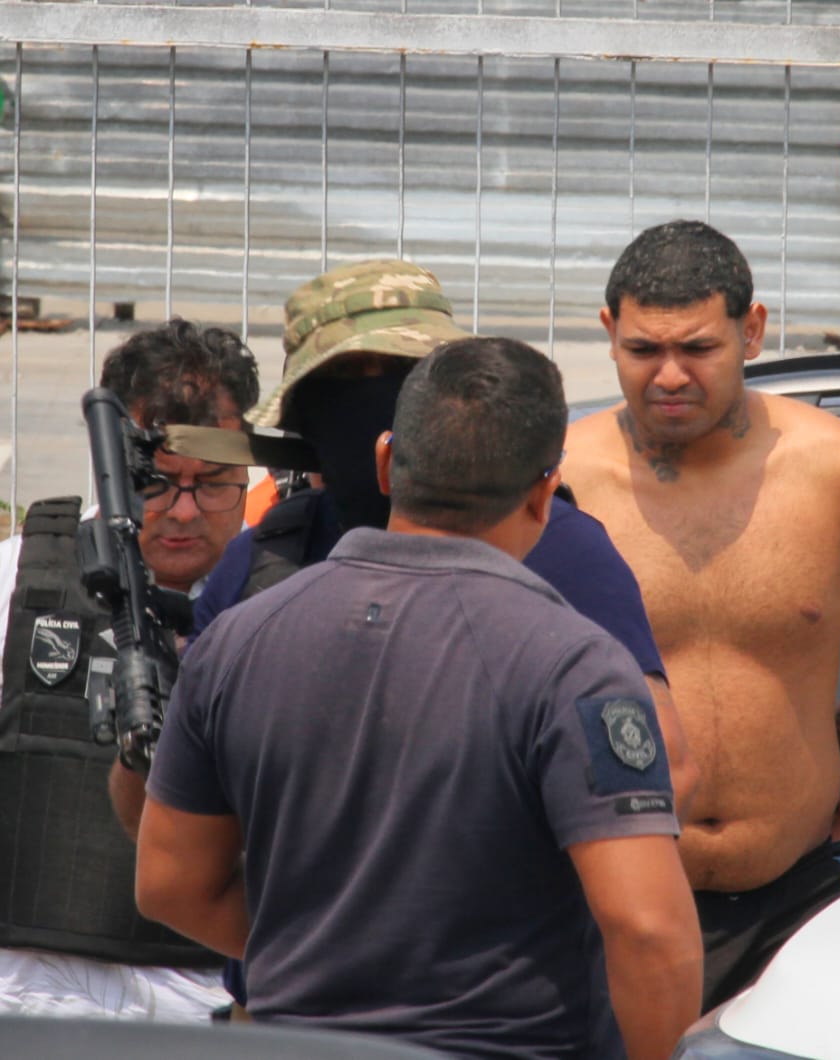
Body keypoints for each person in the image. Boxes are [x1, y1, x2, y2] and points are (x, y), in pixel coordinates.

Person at [135, 336, 702, 1059]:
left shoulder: (237, 640)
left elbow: (169, 882)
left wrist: (332, 952)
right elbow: (649, 929)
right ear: (542, 491)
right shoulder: (577, 664)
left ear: (385, 462)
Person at [564, 219, 840, 1011]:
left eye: (698, 349)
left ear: (751, 330)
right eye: (642, 351)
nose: (669, 375)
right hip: (608, 898)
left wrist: (834, 788)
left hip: (793, 900)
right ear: (608, 335)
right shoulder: (561, 480)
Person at [184, 258, 694, 815]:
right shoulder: (266, 558)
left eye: (399, 373)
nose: (372, 406)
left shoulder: (555, 545)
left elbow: (659, 764)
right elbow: (179, 823)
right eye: (345, 381)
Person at [0, 319, 257, 1019]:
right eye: (158, 482)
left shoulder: (284, 605)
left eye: (212, 485)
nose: (182, 512)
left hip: (200, 1003)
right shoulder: (18, 578)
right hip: (30, 999)